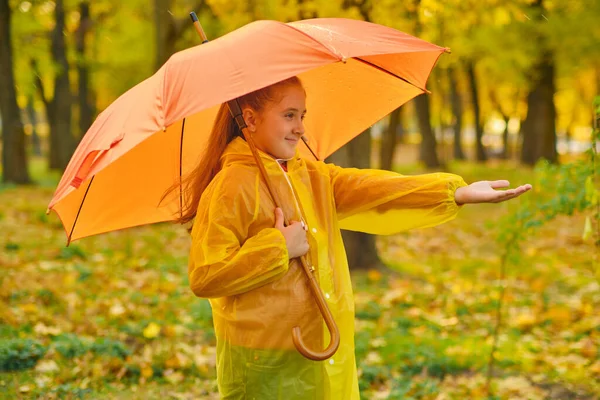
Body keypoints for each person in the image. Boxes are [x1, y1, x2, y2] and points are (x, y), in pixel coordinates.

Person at [176, 76, 531, 399]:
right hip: (261, 360)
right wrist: (277, 247)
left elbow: (375, 189)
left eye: (302, 115)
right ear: (250, 120)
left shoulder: (309, 175)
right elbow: (206, 274)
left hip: (321, 349)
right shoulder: (229, 187)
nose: (301, 128)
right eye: (289, 115)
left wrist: (455, 192)